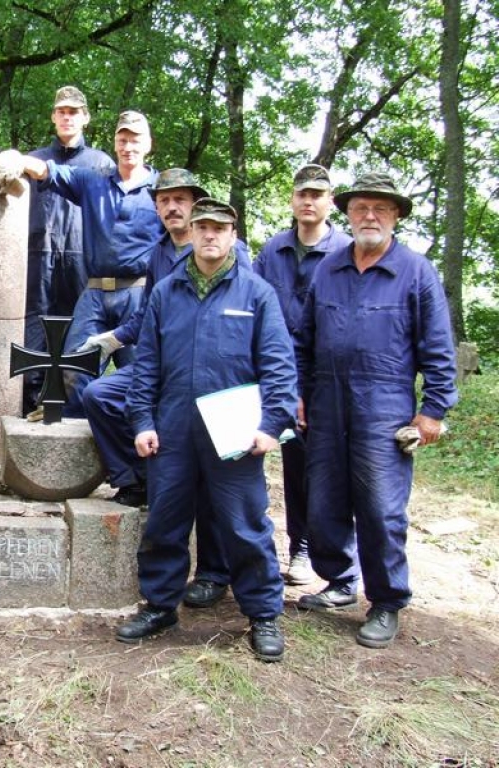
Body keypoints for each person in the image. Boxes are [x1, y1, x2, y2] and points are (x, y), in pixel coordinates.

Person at [118, 199, 296, 662]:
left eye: (220, 228)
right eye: (203, 228)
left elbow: (278, 366)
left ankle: (262, 615)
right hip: (172, 430)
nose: (210, 235)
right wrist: (142, 421)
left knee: (244, 525)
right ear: (192, 233)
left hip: (235, 431)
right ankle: (160, 606)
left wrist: (271, 425)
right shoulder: (166, 292)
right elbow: (146, 367)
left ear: (233, 234)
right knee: (165, 522)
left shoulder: (256, 293)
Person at [295, 172, 457, 649]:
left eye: (380, 209)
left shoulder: (416, 271)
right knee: (323, 500)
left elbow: (438, 349)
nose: (369, 216)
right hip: (325, 401)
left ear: (396, 216)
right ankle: (340, 582)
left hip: (384, 405)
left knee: (381, 508)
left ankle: (386, 601)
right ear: (347, 213)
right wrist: (300, 391)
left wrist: (432, 410)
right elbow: (304, 339)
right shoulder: (329, 268)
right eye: (361, 207)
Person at [81, 169, 250, 612]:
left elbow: (251, 316)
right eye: (164, 201)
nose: (172, 208)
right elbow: (150, 317)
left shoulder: (234, 253)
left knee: (216, 478)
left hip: (218, 381)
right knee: (100, 397)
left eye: (181, 200)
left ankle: (214, 572)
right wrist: (113, 338)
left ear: (198, 207)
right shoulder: (157, 256)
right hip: (166, 373)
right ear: (156, 209)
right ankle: (135, 479)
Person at [21, 110, 162, 417]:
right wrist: (12, 160)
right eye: (122, 140)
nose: (128, 147)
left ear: (148, 144)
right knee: (72, 367)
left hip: (138, 295)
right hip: (95, 292)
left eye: (135, 140)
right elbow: (46, 170)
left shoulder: (162, 191)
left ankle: (136, 450)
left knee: (140, 374)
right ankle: (70, 447)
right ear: (115, 143)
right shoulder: (93, 181)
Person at [254, 164, 352, 586]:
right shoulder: (272, 250)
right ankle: (299, 547)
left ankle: (331, 554)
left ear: (331, 201)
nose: (309, 201)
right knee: (293, 465)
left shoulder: (346, 251)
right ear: (293, 200)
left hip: (329, 376)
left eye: (318, 194)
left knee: (328, 468)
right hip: (279, 374)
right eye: (302, 194)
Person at [23, 86, 114, 413]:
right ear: (53, 116)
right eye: (61, 111)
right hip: (37, 266)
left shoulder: (101, 164)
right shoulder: (33, 160)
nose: (67, 117)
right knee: (33, 348)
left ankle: (69, 414)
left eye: (73, 111)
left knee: (76, 346)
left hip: (81, 268)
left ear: (85, 118)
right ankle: (29, 418)